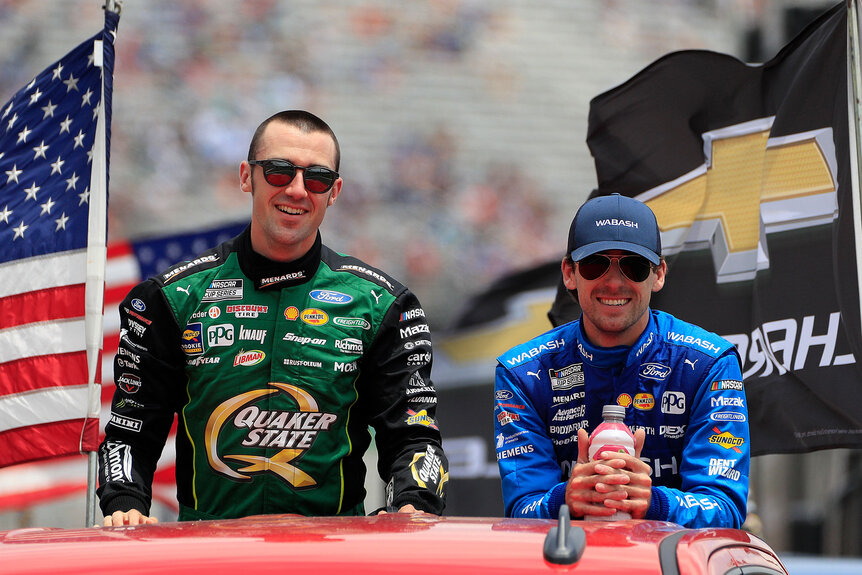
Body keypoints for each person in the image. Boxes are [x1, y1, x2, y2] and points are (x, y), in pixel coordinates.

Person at [98, 110, 448, 525]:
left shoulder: (383, 304)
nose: (298, 190)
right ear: (247, 177)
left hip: (334, 553)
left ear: (334, 192)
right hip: (205, 551)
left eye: (316, 178)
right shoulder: (173, 298)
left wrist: (414, 502)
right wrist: (124, 505)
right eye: (280, 172)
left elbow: (413, 438)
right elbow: (130, 431)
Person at [494, 193, 749, 528]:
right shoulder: (524, 374)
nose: (614, 282)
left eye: (634, 265)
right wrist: (566, 498)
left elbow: (726, 509)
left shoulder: (708, 364)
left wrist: (655, 502)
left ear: (658, 275)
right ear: (569, 273)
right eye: (596, 264)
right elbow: (522, 510)